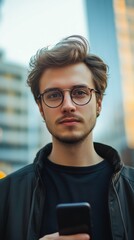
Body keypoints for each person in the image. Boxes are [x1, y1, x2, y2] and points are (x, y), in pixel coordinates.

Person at [0, 35, 134, 240]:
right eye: (54, 95)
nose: (68, 105)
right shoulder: (5, 195)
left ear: (98, 103)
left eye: (80, 92)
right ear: (41, 108)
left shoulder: (131, 188)